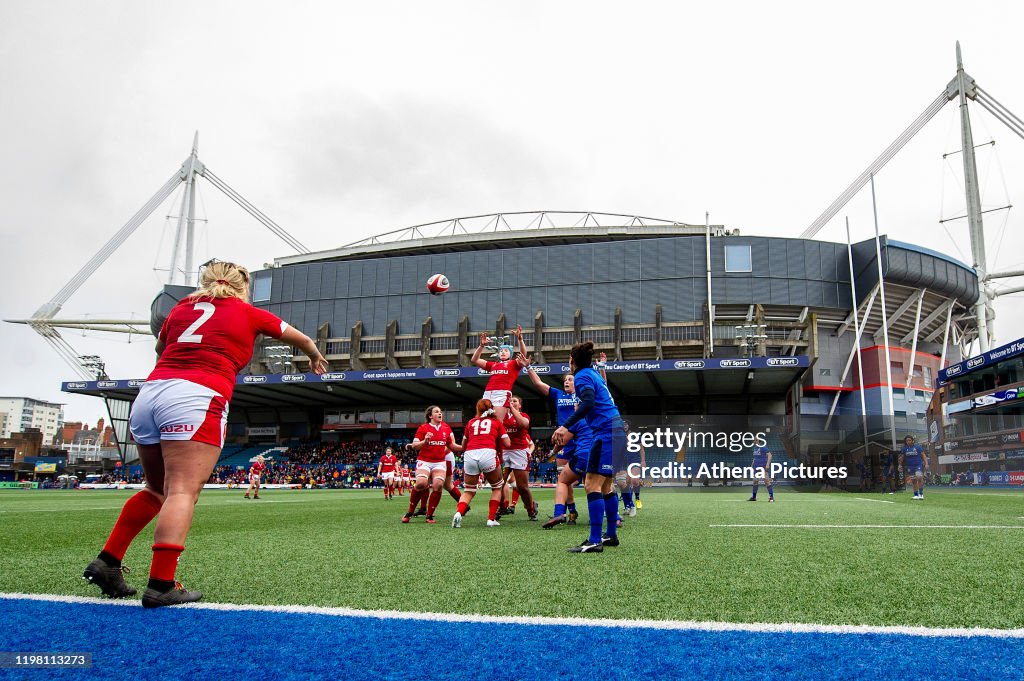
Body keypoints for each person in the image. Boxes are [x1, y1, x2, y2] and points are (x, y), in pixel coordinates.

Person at [82, 260, 328, 608]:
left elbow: (160, 349)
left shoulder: (181, 308)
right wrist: (315, 356)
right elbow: (300, 337)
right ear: (243, 286)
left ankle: (108, 561)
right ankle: (162, 584)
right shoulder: (248, 312)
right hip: (196, 395)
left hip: (151, 393)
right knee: (181, 490)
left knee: (156, 489)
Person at [553, 342, 625, 553]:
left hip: (606, 433)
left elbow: (589, 403)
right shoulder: (593, 374)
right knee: (606, 486)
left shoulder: (582, 375)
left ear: (572, 361)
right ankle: (610, 534)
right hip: (615, 430)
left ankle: (595, 540)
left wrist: (564, 426)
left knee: (591, 485)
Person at [524, 363, 583, 526]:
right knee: (564, 480)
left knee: (589, 480)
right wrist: (528, 367)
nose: (567, 382)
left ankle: (611, 512)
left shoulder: (581, 396)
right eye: (565, 380)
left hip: (581, 438)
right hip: (564, 441)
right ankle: (571, 511)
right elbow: (538, 384)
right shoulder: (558, 394)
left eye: (570, 379)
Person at [452, 399, 512, 528]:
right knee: (497, 487)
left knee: (469, 491)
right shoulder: (496, 422)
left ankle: (458, 513)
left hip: (470, 454)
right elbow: (507, 444)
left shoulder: (471, 423)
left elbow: (463, 445)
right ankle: (491, 519)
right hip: (488, 453)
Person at [403, 406, 461, 524]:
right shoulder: (423, 428)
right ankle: (410, 512)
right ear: (430, 416)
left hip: (439, 462)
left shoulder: (445, 428)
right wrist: (425, 441)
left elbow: (452, 446)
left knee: (439, 485)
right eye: (436, 412)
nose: (440, 414)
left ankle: (429, 516)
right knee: (421, 484)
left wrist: (466, 446)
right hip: (424, 461)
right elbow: (414, 446)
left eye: (440, 412)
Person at [469, 325, 528, 422]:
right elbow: (474, 360)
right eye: (501, 351)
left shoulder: (514, 363)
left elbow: (523, 355)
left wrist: (520, 339)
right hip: (488, 393)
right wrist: (481, 346)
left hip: (502, 393)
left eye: (506, 351)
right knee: (482, 421)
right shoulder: (493, 364)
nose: (503, 352)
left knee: (496, 422)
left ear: (510, 354)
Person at [498, 396, 539, 520]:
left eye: (514, 401)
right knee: (498, 484)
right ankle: (502, 507)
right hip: (504, 451)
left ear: (520, 405)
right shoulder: (502, 416)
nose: (512, 402)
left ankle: (531, 510)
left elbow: (523, 424)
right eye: (510, 401)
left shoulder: (524, 416)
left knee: (522, 487)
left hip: (519, 452)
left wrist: (510, 407)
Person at [900, 435, 930, 500]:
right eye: (907, 440)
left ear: (912, 441)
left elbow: (923, 455)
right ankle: (916, 495)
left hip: (918, 465)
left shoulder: (917, 447)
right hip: (910, 466)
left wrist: (926, 464)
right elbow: (902, 457)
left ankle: (921, 494)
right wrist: (900, 465)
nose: (908, 441)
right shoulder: (904, 448)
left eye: (909, 440)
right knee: (913, 481)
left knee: (919, 477)